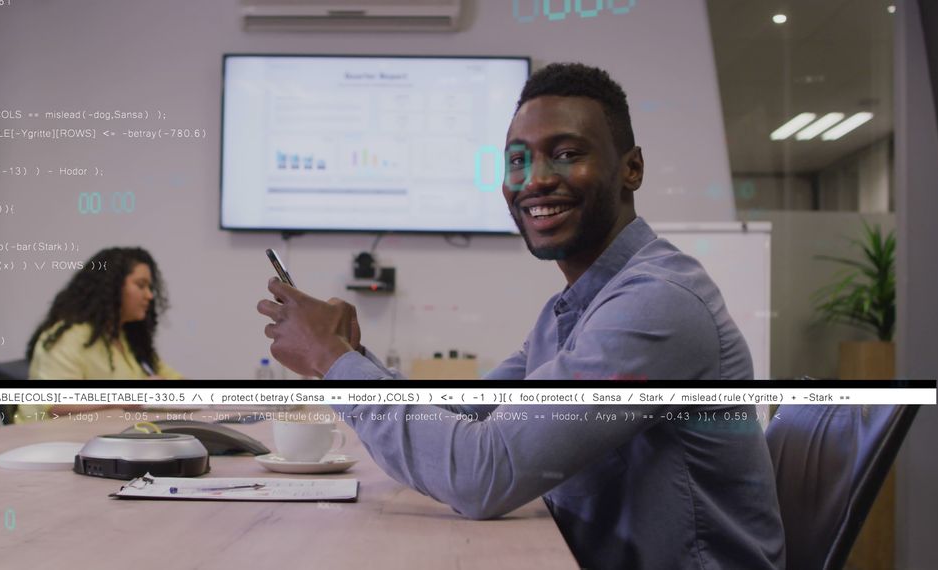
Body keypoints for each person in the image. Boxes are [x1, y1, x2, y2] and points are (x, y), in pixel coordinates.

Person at [256, 63, 784, 568]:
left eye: (566, 153)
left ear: (632, 167)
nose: (535, 179)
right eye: (517, 160)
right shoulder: (574, 310)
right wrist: (351, 357)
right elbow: (467, 418)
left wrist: (333, 361)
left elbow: (482, 474)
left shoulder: (656, 304)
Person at [19, 247, 181, 420]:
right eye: (141, 285)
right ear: (112, 287)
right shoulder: (69, 336)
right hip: (47, 439)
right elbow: (57, 404)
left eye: (150, 287)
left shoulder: (129, 339)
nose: (149, 295)